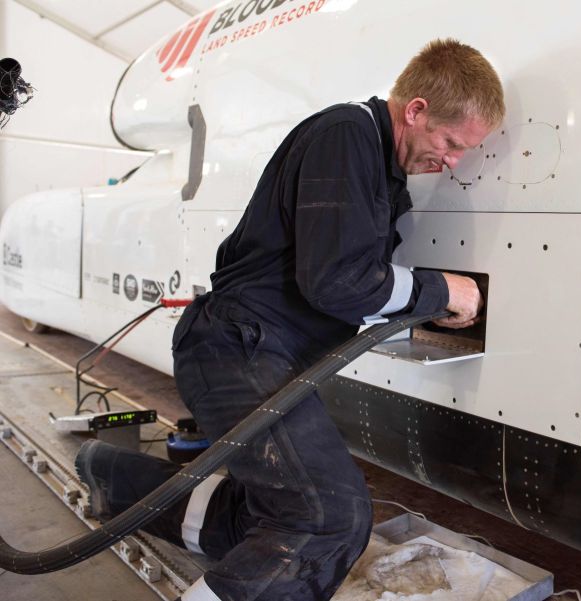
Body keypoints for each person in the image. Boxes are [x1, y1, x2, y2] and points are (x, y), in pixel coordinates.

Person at [75, 38, 504, 600]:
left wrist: (427, 303)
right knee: (327, 517)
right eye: (450, 143)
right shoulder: (347, 134)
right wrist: (438, 286)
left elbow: (344, 286)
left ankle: (115, 476)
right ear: (417, 110)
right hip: (236, 348)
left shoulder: (379, 168)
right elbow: (336, 281)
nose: (451, 161)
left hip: (260, 352)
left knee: (279, 512)